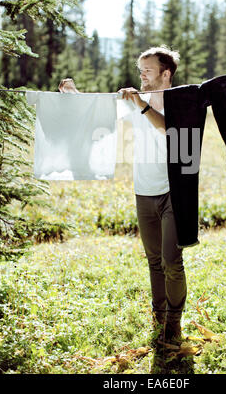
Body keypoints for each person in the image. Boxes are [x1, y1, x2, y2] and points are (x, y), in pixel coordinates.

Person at [59, 45, 187, 345]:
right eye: (139, 70)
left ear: (165, 74)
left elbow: (172, 130)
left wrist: (142, 105)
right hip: (143, 192)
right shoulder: (133, 103)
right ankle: (159, 316)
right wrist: (74, 96)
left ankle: (174, 323)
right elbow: (98, 114)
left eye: (147, 70)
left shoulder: (182, 101)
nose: (141, 75)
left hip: (174, 192)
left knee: (172, 261)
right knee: (154, 260)